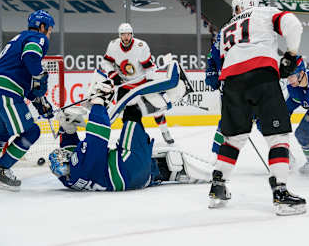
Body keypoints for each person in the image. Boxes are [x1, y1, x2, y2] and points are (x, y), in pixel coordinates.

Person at [208, 0, 306, 216]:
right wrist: (291, 55)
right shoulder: (264, 12)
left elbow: (218, 61)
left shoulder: (224, 29)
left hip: (232, 82)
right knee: (277, 137)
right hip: (261, 75)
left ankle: (217, 187)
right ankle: (280, 192)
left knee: (233, 139)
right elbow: (293, 24)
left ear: (238, 7)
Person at [48, 74, 212, 191]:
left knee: (139, 155)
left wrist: (66, 128)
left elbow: (70, 149)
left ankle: (159, 171)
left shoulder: (68, 178)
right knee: (132, 114)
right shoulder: (79, 165)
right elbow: (99, 135)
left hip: (137, 180)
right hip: (127, 167)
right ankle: (173, 94)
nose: (65, 155)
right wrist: (98, 103)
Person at [0, 10, 55, 190]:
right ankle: (2, 169)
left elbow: (25, 82)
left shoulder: (18, 38)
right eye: (49, 30)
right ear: (42, 27)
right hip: (5, 89)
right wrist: (41, 76)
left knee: (0, 135)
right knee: (32, 132)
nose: (49, 34)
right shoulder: (38, 38)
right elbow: (30, 57)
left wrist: (39, 101)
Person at [102, 23, 174, 144]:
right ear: (120, 35)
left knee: (157, 108)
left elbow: (149, 67)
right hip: (124, 85)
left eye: (128, 34)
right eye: (123, 34)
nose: (126, 37)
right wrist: (113, 75)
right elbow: (106, 62)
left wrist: (150, 82)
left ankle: (165, 130)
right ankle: (129, 135)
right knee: (128, 114)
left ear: (132, 35)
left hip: (141, 84)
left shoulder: (141, 46)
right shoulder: (113, 46)